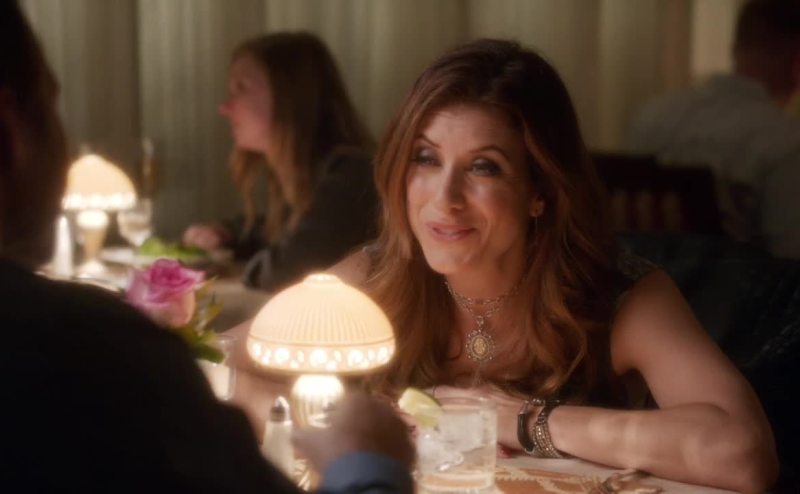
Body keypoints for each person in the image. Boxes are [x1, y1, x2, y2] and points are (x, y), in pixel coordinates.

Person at [326, 39, 779, 493]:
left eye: (484, 167)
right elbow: (275, 390)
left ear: (539, 191)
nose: (444, 198)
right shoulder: (373, 280)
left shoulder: (618, 297)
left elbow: (742, 454)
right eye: (426, 158)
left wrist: (524, 421)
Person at [0, 2, 413, 492]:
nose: (224, 106)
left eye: (240, 89)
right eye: (52, 106)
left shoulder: (345, 172)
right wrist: (367, 464)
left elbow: (288, 263)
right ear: (9, 134)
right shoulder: (93, 354)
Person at [183, 32, 377, 291]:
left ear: (290, 95)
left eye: (241, 88)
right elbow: (272, 235)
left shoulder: (350, 174)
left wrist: (229, 267)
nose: (225, 107)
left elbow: (289, 271)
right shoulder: (304, 177)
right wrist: (225, 234)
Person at [628, 0, 800, 257]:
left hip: (645, 273)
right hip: (735, 280)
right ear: (795, 59)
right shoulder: (785, 140)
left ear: (736, 47)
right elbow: (791, 251)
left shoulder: (651, 115)